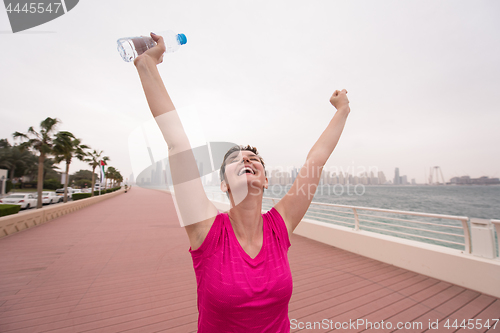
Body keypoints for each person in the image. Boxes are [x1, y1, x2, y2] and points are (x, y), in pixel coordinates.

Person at [134, 32, 350, 333]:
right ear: (223, 184)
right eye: (236, 159)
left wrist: (342, 111)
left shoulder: (280, 225)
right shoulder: (206, 229)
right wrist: (147, 65)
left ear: (264, 179)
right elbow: (177, 143)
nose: (246, 160)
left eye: (254, 159)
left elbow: (316, 160)